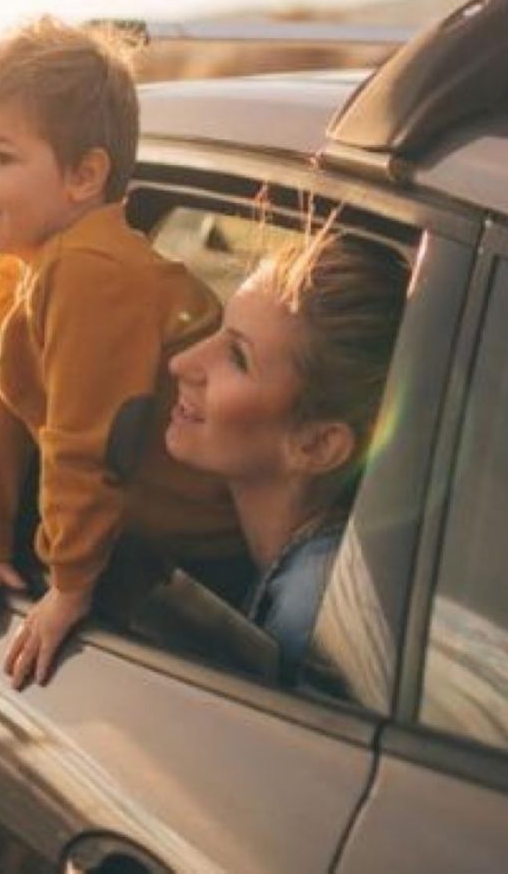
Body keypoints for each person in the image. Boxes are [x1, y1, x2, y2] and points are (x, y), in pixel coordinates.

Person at [0, 15, 245, 689]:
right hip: (146, 543)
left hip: (204, 555)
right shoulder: (18, 268)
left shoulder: (90, 270)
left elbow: (88, 440)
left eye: (0, 156)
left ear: (83, 176)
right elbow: (0, 411)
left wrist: (69, 585)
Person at [163, 228, 409, 683]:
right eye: (218, 329)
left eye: (237, 358)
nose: (182, 363)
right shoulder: (318, 571)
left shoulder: (311, 615)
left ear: (316, 445)